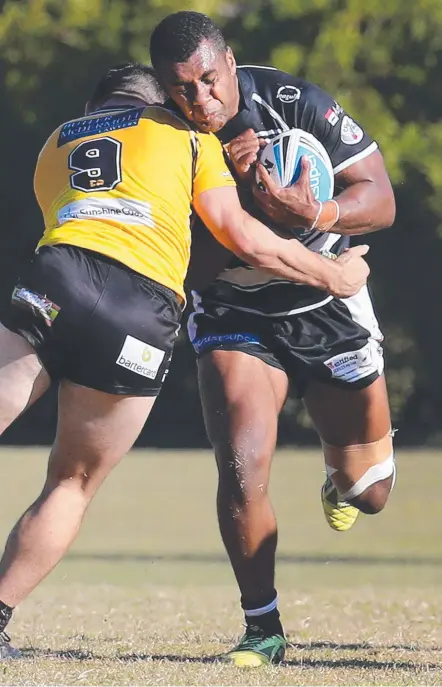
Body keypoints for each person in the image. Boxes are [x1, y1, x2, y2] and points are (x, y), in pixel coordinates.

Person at [0, 62, 370, 659]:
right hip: (138, 312)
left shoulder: (58, 139)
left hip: (58, 278)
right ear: (162, 105)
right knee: (71, 482)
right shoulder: (189, 138)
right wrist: (337, 275)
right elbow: (244, 239)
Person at [150, 11, 397, 667]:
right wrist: (239, 213)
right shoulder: (165, 140)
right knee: (241, 462)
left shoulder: (292, 101)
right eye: (181, 90)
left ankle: (337, 475)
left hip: (327, 301)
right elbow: (177, 259)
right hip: (236, 312)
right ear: (162, 88)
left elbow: (380, 196)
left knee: (369, 492)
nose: (200, 101)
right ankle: (263, 626)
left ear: (230, 63)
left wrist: (315, 213)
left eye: (208, 80)